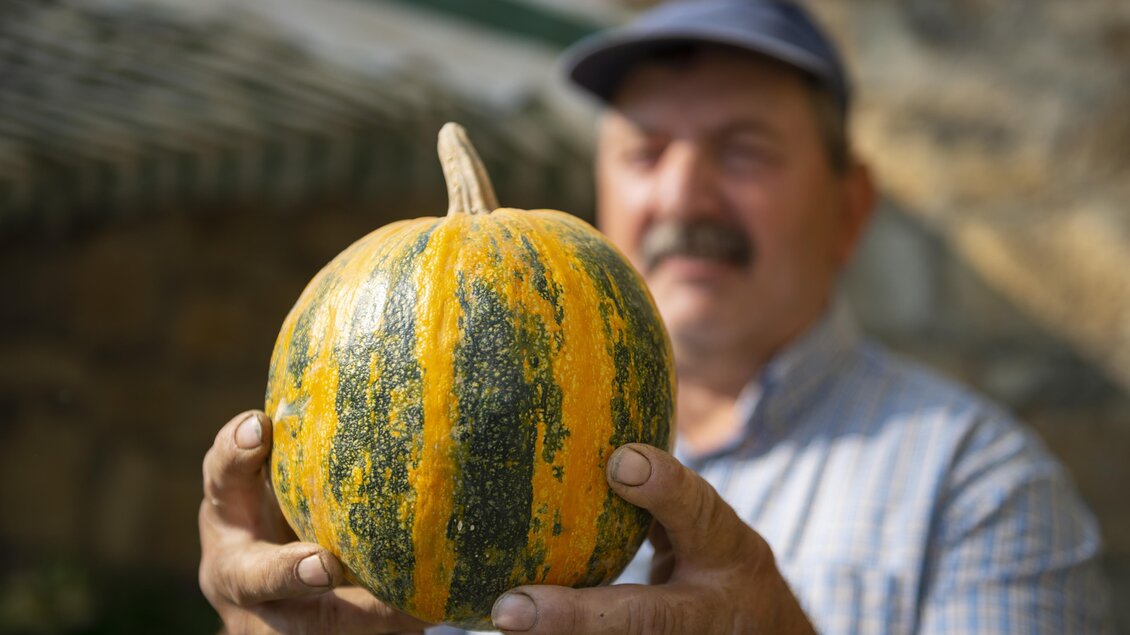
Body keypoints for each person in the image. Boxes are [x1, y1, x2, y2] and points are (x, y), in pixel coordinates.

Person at [198, 1, 1113, 633]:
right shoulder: (435, 428)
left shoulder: (981, 490)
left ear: (851, 205)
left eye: (743, 150)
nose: (683, 193)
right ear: (599, 186)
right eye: (646, 151)